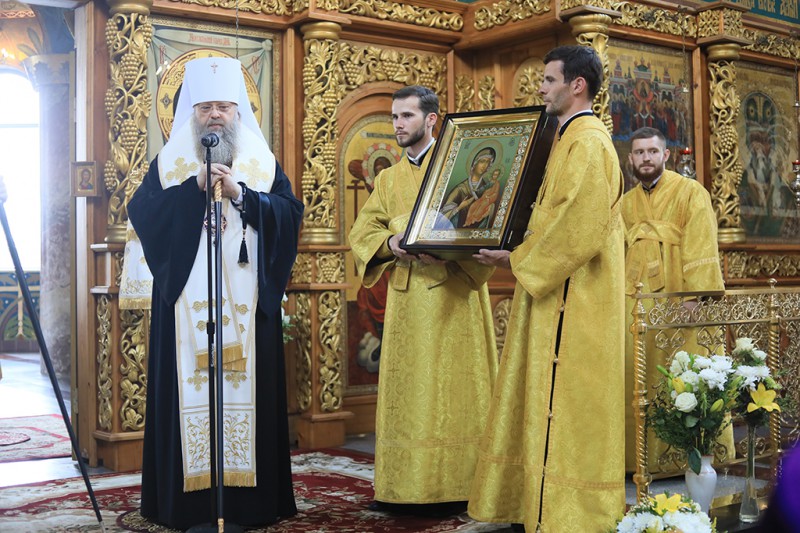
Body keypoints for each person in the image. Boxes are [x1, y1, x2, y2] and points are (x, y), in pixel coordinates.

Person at [127, 57, 302, 530]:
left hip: (249, 314)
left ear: (239, 110)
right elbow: (143, 213)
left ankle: (249, 505)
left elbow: (290, 215)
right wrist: (194, 190)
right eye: (205, 107)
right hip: (186, 317)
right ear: (192, 112)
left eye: (224, 106)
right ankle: (188, 507)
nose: (215, 116)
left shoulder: (262, 163)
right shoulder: (170, 165)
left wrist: (243, 195)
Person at [469, 45, 626, 531]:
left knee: (567, 405)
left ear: (577, 85)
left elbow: (578, 227)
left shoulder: (588, 143)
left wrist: (516, 257)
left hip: (575, 298)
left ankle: (570, 515)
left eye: (549, 80)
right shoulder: (565, 138)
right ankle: (536, 507)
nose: (540, 88)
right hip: (553, 289)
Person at [348, 85, 498, 515]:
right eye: (395, 117)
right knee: (408, 394)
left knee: (454, 392)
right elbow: (364, 231)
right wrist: (390, 242)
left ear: (432, 120)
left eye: (407, 116)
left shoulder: (457, 172)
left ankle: (459, 485)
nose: (398, 124)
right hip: (408, 301)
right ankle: (402, 488)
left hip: (454, 297)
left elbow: (484, 225)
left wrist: (451, 247)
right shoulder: (388, 179)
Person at [621, 126, 728, 475]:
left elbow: (701, 241)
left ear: (665, 155)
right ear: (631, 158)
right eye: (640, 152)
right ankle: (638, 460)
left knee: (681, 373)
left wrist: (693, 296)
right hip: (635, 299)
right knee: (639, 376)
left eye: (652, 151)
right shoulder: (625, 203)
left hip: (678, 298)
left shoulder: (690, 191)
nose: (646, 158)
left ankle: (686, 459)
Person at [440, 146, 497, 228]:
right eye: (482, 161)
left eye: (488, 163)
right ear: (475, 163)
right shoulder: (460, 189)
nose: (485, 166)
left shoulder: (487, 188)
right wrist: (459, 208)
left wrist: (489, 210)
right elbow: (441, 219)